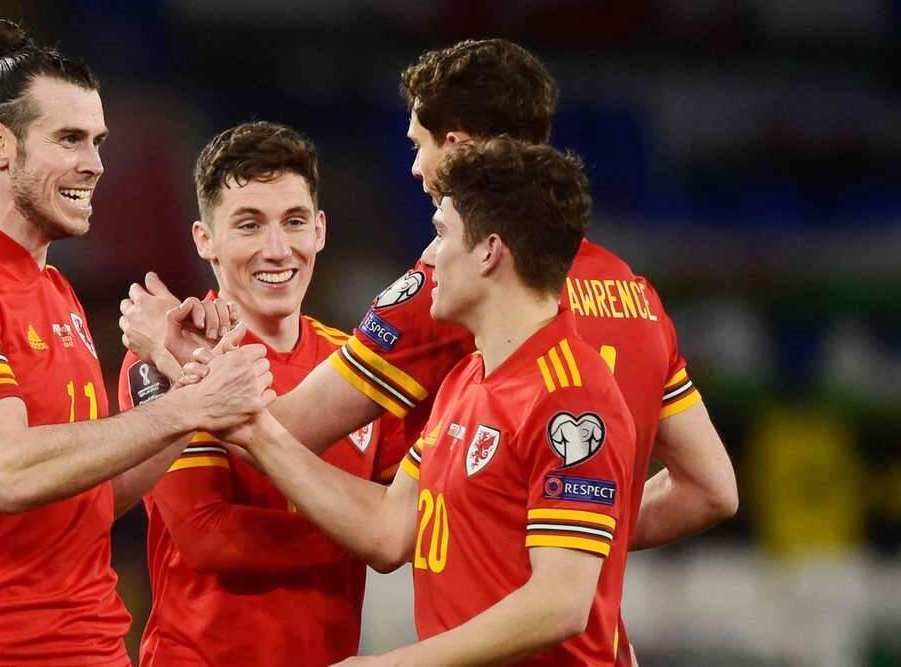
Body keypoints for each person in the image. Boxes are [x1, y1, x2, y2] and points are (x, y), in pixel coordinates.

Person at [122, 38, 736, 663]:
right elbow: (711, 489)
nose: (415, 169)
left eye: (419, 144)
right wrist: (550, 532)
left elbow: (287, 430)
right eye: (250, 224)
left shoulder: (470, 323)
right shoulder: (628, 298)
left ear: (462, 151)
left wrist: (178, 364)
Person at [0, 20, 271, 666]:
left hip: (93, 647)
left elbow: (92, 498)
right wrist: (185, 408)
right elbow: (10, 470)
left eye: (98, 141)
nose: (96, 163)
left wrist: (191, 381)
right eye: (70, 139)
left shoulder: (56, 290)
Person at [206, 137, 636, 664]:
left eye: (441, 233)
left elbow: (560, 605)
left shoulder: (572, 398)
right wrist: (252, 428)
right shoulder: (465, 381)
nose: (430, 255)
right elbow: (389, 528)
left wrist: (393, 664)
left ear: (489, 252)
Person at [116, 122, 408, 666]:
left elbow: (419, 512)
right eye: (249, 225)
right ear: (205, 239)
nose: (277, 250)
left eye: (294, 221)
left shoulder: (360, 370)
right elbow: (206, 535)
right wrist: (372, 530)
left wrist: (392, 529)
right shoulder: (166, 355)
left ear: (320, 229)